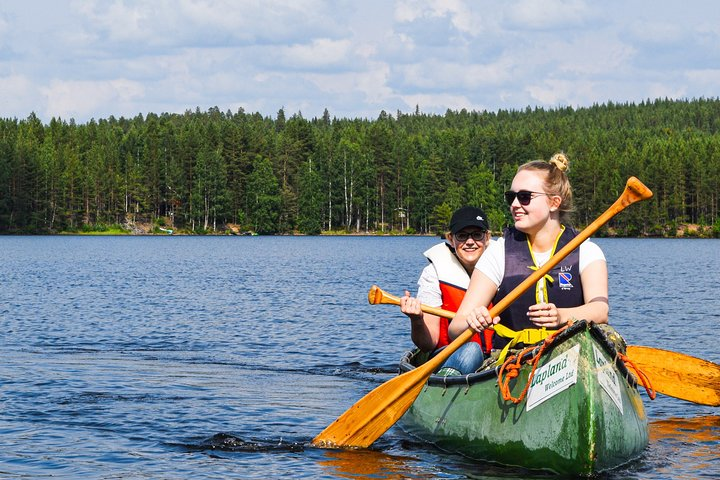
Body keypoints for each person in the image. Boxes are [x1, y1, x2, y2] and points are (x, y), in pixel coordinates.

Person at [449, 153, 609, 352]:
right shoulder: (498, 252)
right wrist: (472, 320)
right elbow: (455, 328)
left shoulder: (586, 250)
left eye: (525, 197)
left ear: (554, 202)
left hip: (572, 351)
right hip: (513, 359)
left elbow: (600, 310)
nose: (514, 205)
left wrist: (561, 316)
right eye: (511, 197)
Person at [400, 206, 493, 376]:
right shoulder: (433, 273)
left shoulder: (503, 264)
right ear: (451, 239)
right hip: (449, 355)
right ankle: (445, 384)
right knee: (472, 350)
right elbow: (428, 343)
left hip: (495, 358)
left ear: (487, 237)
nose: (470, 241)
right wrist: (416, 320)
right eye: (462, 236)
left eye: (477, 235)